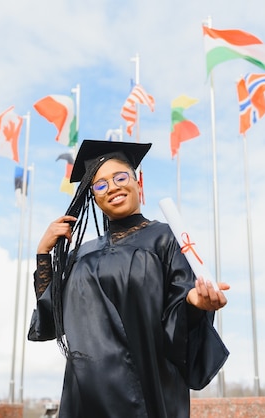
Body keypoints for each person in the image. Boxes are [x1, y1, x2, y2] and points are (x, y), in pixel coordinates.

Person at [28, 139, 230, 418]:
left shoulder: (164, 239)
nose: (112, 187)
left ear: (138, 183)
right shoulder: (81, 255)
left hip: (143, 389)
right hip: (86, 395)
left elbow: (177, 321)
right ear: (94, 198)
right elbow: (52, 318)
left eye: (120, 177)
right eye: (100, 185)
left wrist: (193, 304)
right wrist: (43, 253)